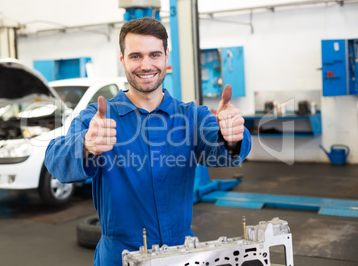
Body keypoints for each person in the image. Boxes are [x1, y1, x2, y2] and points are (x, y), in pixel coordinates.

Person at [45, 17, 251, 265]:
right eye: (135, 56)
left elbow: (225, 152)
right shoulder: (99, 119)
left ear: (166, 57)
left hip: (181, 256)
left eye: (154, 54)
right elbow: (55, 160)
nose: (146, 65)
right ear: (122, 59)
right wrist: (86, 146)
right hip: (119, 257)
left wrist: (232, 136)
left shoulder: (191, 117)